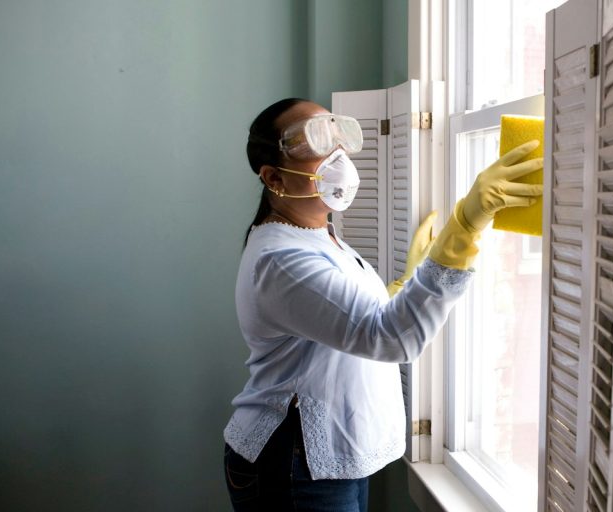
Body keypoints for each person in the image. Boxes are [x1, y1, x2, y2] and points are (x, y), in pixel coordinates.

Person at [223, 98, 543, 511]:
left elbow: (339, 318)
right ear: (273, 178)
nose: (337, 153)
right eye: (315, 141)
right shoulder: (280, 259)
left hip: (327, 460)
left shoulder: (315, 233)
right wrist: (463, 228)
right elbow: (391, 339)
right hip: (293, 465)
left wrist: (406, 284)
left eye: (337, 134)